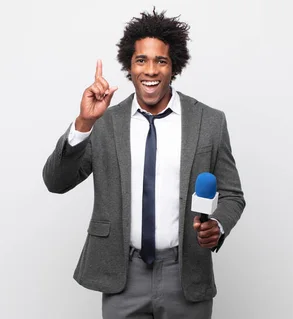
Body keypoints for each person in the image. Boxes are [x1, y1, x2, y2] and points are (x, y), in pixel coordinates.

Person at [43, 8, 245, 319]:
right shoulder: (105, 123)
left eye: (160, 61)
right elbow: (56, 182)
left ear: (173, 66)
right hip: (123, 276)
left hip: (186, 273)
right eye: (141, 60)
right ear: (129, 66)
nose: (150, 70)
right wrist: (84, 123)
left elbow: (232, 195)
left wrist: (217, 226)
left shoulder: (209, 122)